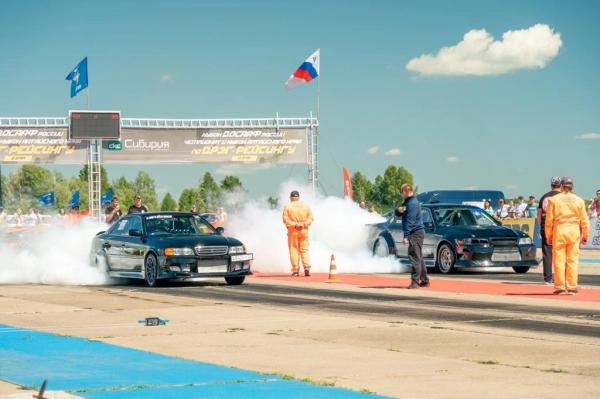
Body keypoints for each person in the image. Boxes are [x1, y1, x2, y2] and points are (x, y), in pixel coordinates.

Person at [545, 177, 589, 295]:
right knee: (573, 259)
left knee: (559, 259)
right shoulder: (579, 200)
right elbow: (584, 220)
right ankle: (572, 287)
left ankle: (560, 286)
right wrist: (585, 234)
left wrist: (548, 235)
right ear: (572, 186)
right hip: (574, 230)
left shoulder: (553, 200)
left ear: (561, 186)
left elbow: (549, 220)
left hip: (559, 229)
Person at [396, 183, 429, 289]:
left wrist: (406, 236)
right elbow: (398, 213)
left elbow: (410, 221)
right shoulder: (409, 202)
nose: (402, 195)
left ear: (405, 191)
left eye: (402, 193)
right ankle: (424, 280)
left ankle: (415, 282)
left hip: (415, 233)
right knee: (419, 257)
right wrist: (398, 211)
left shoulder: (412, 204)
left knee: (414, 257)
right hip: (417, 232)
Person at [282, 190, 313, 277]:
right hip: (304, 230)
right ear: (298, 197)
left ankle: (295, 271)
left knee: (294, 250)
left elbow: (285, 220)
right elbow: (311, 218)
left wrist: (295, 224)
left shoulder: (287, 207)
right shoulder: (306, 206)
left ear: (291, 198)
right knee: (304, 249)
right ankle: (306, 267)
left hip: (293, 230)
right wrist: (304, 224)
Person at [538, 176, 562, 284]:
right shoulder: (562, 197)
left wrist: (541, 227)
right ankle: (560, 278)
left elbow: (538, 215)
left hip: (545, 227)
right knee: (560, 253)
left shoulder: (544, 197)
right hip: (559, 227)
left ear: (551, 185)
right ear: (561, 185)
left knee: (547, 253)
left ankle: (548, 278)